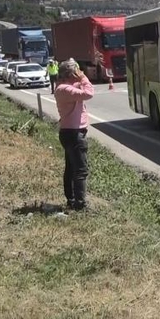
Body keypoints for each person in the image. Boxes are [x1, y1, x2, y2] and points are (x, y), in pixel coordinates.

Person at [54, 59, 94, 211]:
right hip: (74, 134)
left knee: (71, 168)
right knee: (80, 170)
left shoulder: (63, 88)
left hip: (69, 132)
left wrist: (79, 79)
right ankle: (79, 204)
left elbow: (78, 89)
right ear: (71, 74)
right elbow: (89, 93)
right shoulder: (65, 90)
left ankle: (71, 199)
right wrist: (83, 78)